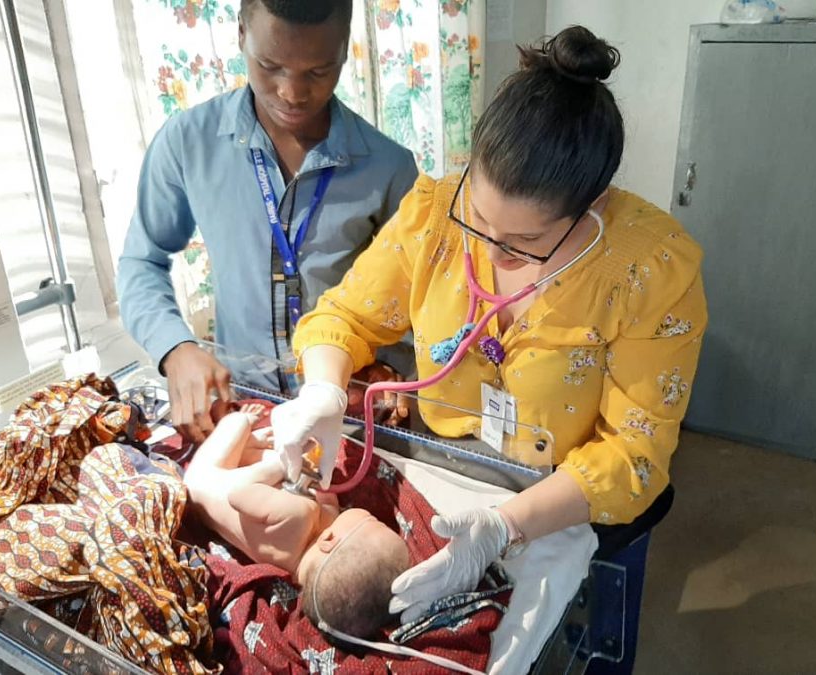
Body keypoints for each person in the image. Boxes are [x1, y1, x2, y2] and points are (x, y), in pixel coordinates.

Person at [271, 24, 708, 622]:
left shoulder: (649, 272)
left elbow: (635, 454)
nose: (494, 253)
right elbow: (343, 316)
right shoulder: (433, 213)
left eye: (527, 242)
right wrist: (323, 386)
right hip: (447, 465)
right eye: (479, 219)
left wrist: (504, 527)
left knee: (557, 628)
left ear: (594, 205)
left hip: (567, 492)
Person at [118, 0, 417, 444]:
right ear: (241, 34)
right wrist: (176, 348)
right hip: (237, 408)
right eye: (270, 65)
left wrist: (391, 361)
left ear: (345, 48)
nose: (292, 93)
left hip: (348, 410)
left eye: (318, 71)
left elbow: (417, 293)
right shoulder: (187, 143)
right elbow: (141, 261)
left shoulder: (389, 167)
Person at [183, 409, 409, 638]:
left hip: (203, 482)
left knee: (238, 422)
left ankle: (245, 431)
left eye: (371, 520)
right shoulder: (293, 567)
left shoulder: (298, 516)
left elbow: (237, 495)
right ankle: (252, 447)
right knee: (283, 465)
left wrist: (285, 466)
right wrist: (324, 496)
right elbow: (325, 500)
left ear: (329, 540)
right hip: (223, 503)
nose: (371, 515)